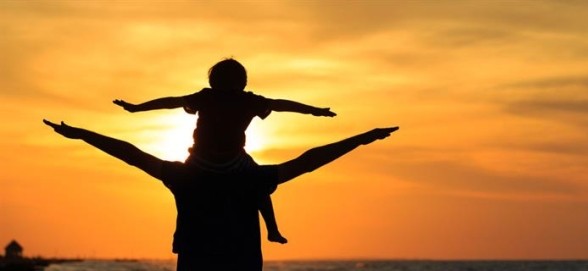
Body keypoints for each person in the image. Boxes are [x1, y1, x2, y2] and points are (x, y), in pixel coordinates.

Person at [43, 119, 397, 271]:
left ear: (195, 143)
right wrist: (361, 138)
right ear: (241, 144)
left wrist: (81, 134)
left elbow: (130, 153)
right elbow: (308, 161)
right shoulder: (251, 177)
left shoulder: (184, 175)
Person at [113, 58, 335, 244]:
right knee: (260, 186)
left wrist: (137, 108)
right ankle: (272, 229)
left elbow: (171, 102)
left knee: (189, 190)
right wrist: (314, 111)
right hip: (218, 159)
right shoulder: (236, 99)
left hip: (211, 159)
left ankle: (270, 230)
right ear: (242, 81)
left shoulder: (214, 97)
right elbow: (280, 104)